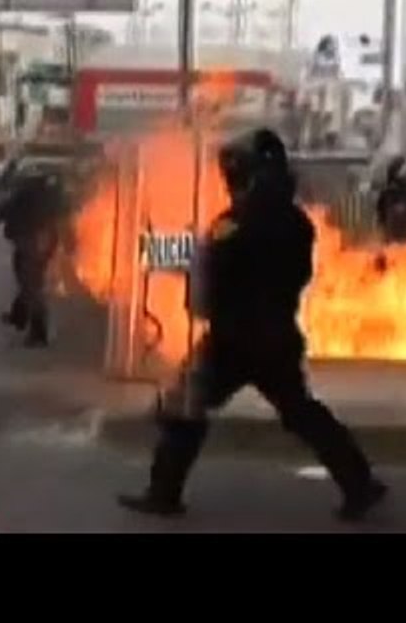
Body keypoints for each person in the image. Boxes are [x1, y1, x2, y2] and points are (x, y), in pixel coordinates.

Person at [118, 128, 387, 522]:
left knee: (184, 405)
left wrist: (199, 297)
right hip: (277, 336)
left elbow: (210, 275)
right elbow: (299, 276)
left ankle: (164, 494)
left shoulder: (234, 222)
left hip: (233, 340)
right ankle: (360, 484)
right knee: (301, 413)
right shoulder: (298, 222)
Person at [0, 164, 67, 348]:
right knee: (27, 282)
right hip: (41, 245)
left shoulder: (23, 198)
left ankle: (38, 333)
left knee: (31, 286)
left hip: (29, 244)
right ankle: (19, 316)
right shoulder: (51, 200)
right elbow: (63, 223)